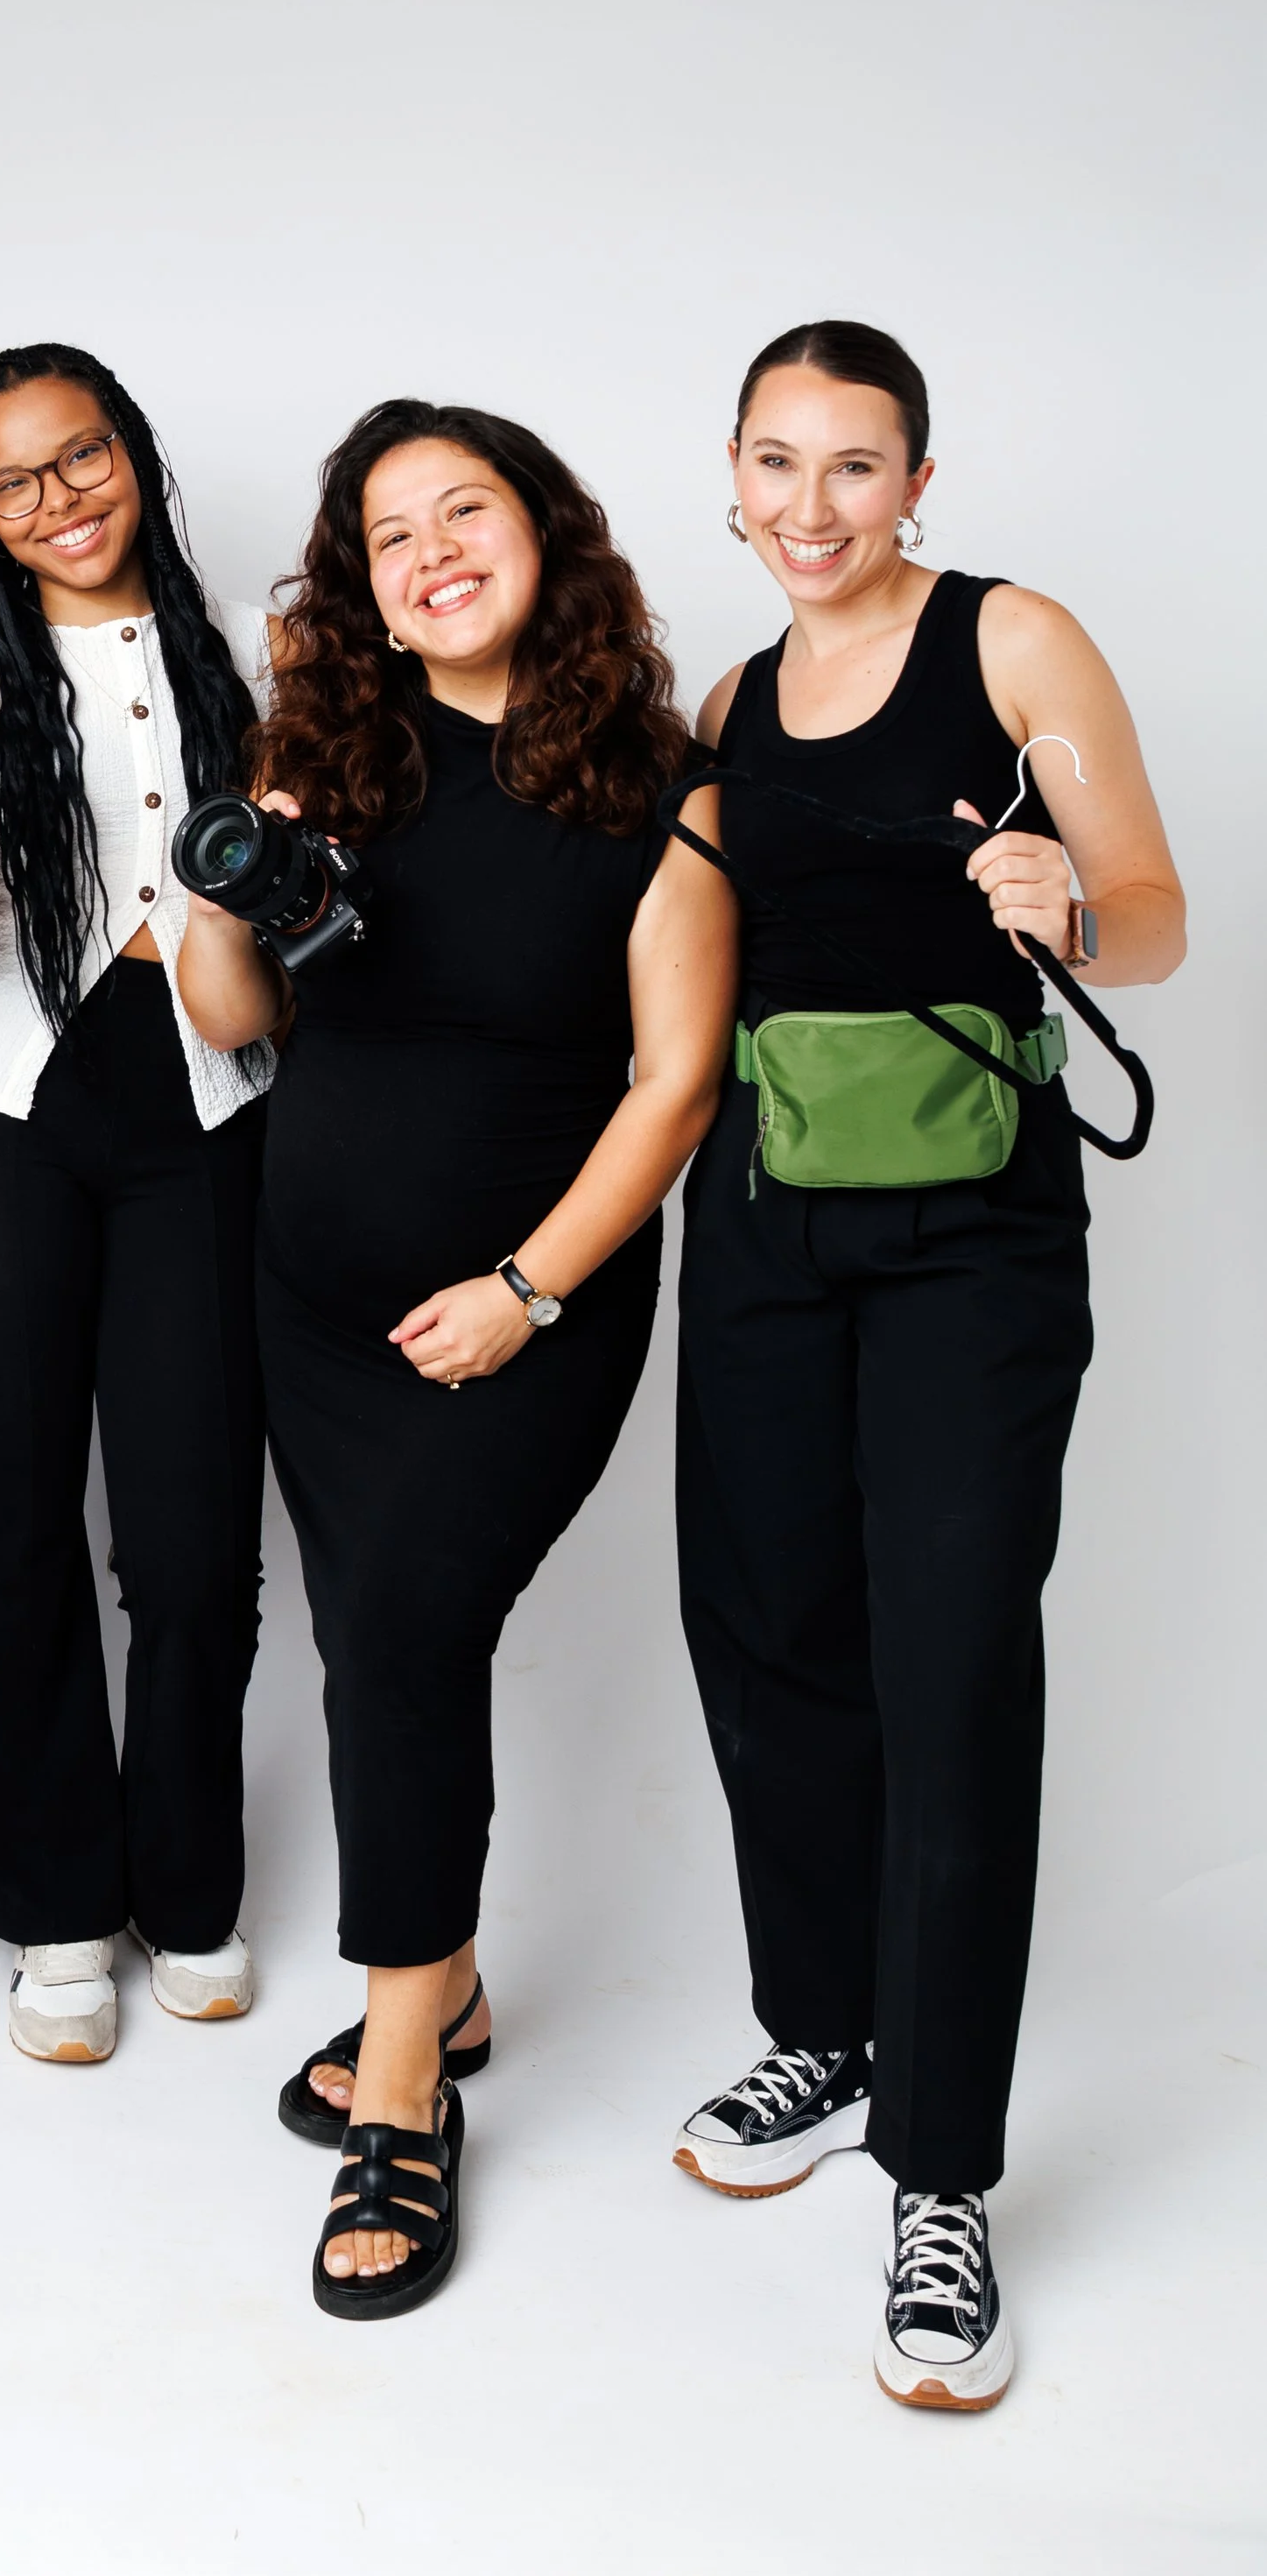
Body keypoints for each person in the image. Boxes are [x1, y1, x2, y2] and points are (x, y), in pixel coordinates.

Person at [669, 321, 1184, 2409]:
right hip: (766, 1215)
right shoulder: (723, 703)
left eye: (851, 468)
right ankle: (827, 2021)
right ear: (729, 478)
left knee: (951, 1655)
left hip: (974, 1227)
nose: (810, 509)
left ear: (915, 483)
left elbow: (1150, 915)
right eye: (774, 466)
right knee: (763, 1624)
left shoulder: (1014, 640)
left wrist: (1066, 898)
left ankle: (939, 2175)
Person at [179, 399, 736, 2318]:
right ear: (361, 586)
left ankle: (400, 2086)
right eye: (386, 532)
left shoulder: (655, 782)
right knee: (373, 1648)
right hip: (312, 1300)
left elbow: (671, 1086)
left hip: (529, 1307)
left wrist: (526, 1287)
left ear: (541, 533)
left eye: (463, 510)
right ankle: (454, 1981)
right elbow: (237, 1014)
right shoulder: (323, 756)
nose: (429, 551)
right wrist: (233, 878)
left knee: (407, 1631)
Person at [0, 344, 275, 2064]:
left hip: (200, 1105)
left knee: (195, 1534)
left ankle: (188, 1880)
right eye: (13, 482)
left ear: (135, 457)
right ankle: (57, 1904)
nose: (55, 503)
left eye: (81, 460)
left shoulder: (242, 662)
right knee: (13, 1518)